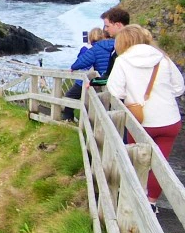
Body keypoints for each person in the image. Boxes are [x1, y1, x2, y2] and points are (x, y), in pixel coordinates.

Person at [106, 25, 184, 212]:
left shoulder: (123, 61)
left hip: (140, 122)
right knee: (160, 164)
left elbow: (115, 91)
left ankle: (135, 205)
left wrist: (133, 97)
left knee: (138, 162)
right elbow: (179, 88)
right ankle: (151, 202)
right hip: (169, 120)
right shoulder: (162, 58)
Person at [62, 27, 111, 121]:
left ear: (91, 37)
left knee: (70, 96)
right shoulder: (112, 46)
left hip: (92, 80)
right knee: (102, 103)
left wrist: (73, 67)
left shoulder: (92, 48)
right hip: (106, 79)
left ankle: (68, 119)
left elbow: (82, 61)